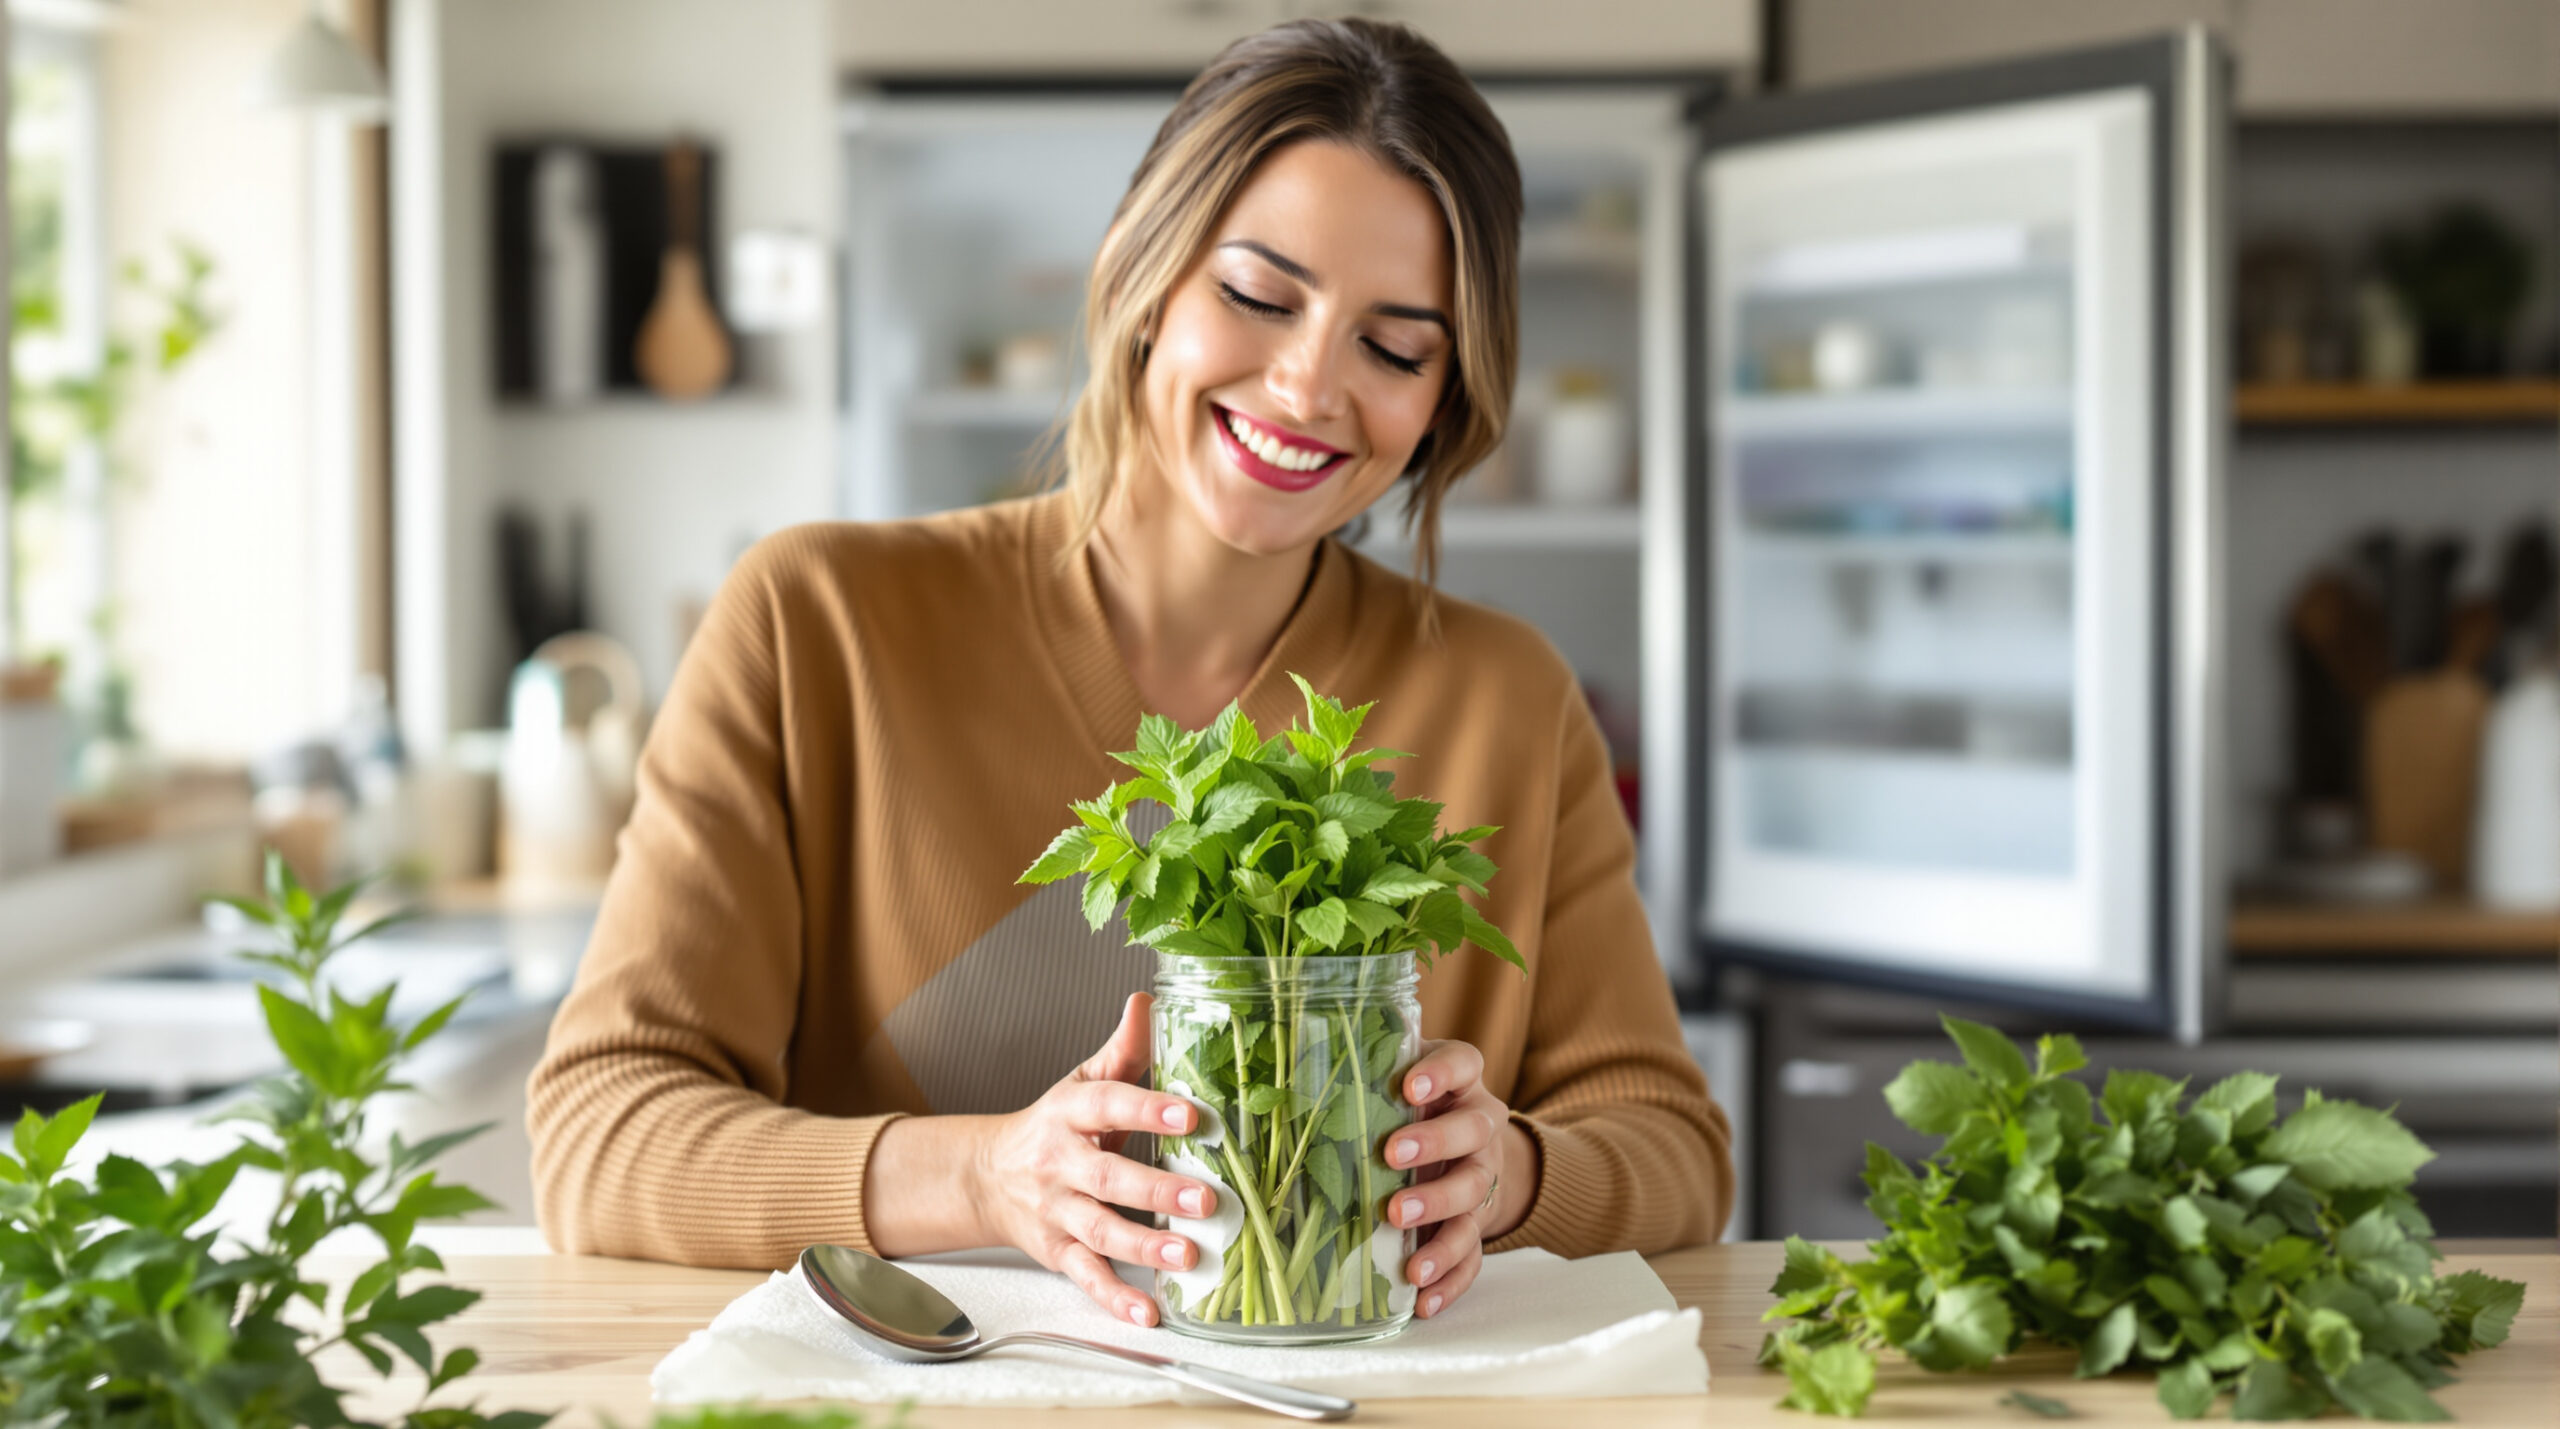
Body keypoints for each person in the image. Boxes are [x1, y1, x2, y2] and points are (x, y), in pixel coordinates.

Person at [526, 16, 1732, 1329]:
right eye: (1259, 297)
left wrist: (1515, 1171)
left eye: (1395, 348)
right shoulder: (816, 624)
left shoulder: (1506, 697)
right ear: (1145, 278)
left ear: (1447, 401)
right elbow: (601, 1127)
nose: (1307, 383)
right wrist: (986, 1177)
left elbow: (1673, 1146)